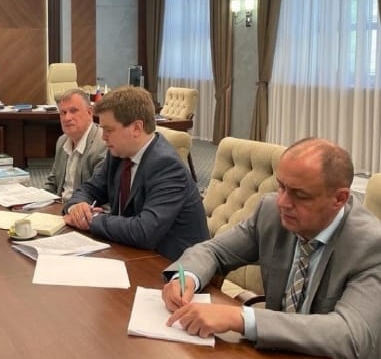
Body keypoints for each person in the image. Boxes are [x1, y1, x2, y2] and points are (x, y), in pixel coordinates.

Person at [161, 138, 381, 359]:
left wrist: (241, 318)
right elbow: (213, 251)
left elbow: (351, 334)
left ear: (339, 199)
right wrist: (186, 278)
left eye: (300, 195)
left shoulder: (371, 246)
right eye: (281, 186)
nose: (282, 202)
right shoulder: (271, 212)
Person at [63, 85, 208, 261]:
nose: (103, 137)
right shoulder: (118, 153)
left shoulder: (166, 166)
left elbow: (144, 231)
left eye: (109, 130)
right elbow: (90, 189)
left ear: (137, 128)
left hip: (171, 264)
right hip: (130, 251)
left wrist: (91, 219)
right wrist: (78, 206)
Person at [43, 88, 106, 200]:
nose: (67, 118)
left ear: (89, 112)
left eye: (73, 111)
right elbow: (52, 183)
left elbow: (99, 193)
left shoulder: (102, 144)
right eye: (63, 113)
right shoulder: (62, 141)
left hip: (82, 207)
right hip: (59, 205)